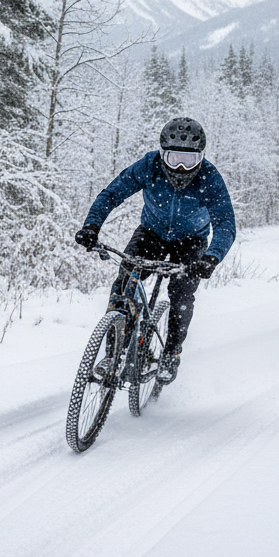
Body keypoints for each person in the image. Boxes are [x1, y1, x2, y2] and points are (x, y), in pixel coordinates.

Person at [74, 117, 236, 384]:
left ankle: (171, 352)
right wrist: (92, 226)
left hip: (191, 242)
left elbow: (225, 223)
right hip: (152, 234)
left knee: (182, 292)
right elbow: (112, 193)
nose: (181, 168)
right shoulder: (149, 165)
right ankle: (112, 354)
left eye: (189, 160)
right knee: (125, 281)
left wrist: (211, 257)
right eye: (173, 159)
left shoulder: (209, 177)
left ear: (201, 157)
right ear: (162, 154)